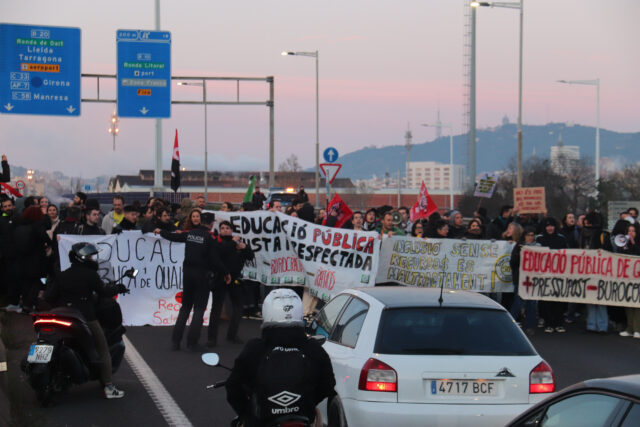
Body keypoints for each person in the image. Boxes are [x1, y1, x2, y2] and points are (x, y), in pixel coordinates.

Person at [226, 289, 336, 427]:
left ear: (267, 312)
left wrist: (247, 414)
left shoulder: (255, 349)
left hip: (261, 421)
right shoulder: (312, 348)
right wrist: (307, 402)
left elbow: (233, 386)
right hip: (303, 418)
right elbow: (328, 384)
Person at [45, 242, 128, 398]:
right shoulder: (90, 275)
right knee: (103, 348)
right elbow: (104, 291)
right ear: (82, 258)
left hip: (62, 315)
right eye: (90, 256)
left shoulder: (63, 274)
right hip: (84, 317)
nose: (92, 259)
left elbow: (49, 296)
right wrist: (119, 288)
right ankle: (109, 386)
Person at [157, 219, 230, 351]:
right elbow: (215, 259)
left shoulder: (190, 233)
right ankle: (192, 343)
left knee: (185, 307)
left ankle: (175, 342)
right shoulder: (210, 237)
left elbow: (174, 237)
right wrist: (225, 272)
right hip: (202, 276)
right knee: (199, 309)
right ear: (211, 224)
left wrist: (161, 231)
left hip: (187, 275)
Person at [208, 220, 254, 347]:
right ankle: (212, 338)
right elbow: (220, 252)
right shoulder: (217, 242)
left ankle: (232, 335)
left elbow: (250, 256)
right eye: (222, 228)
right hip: (220, 278)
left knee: (238, 308)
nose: (225, 230)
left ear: (232, 230)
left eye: (227, 228)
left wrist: (245, 248)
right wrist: (233, 243)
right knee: (216, 308)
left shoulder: (237, 243)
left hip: (235, 279)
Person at [536, 217, 568, 333]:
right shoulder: (539, 239)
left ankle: (559, 323)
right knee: (546, 300)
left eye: (552, 226)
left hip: (558, 273)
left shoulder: (561, 238)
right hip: (544, 274)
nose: (550, 228)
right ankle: (548, 323)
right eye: (547, 226)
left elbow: (567, 254)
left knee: (558, 299)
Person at [509, 226, 540, 336]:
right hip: (521, 279)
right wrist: (520, 254)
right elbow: (512, 262)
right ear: (524, 236)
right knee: (518, 303)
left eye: (532, 235)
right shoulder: (519, 246)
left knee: (532, 304)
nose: (530, 237)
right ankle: (510, 325)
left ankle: (529, 326)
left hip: (533, 279)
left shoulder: (538, 247)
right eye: (528, 235)